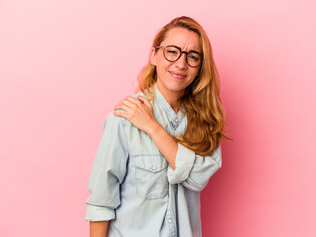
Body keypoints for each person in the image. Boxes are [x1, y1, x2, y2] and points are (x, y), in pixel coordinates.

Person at [85, 16, 231, 237]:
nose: (181, 64)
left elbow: (197, 177)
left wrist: (152, 127)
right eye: (172, 52)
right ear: (154, 55)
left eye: (193, 57)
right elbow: (101, 201)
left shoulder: (205, 122)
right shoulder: (124, 119)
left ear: (200, 67)